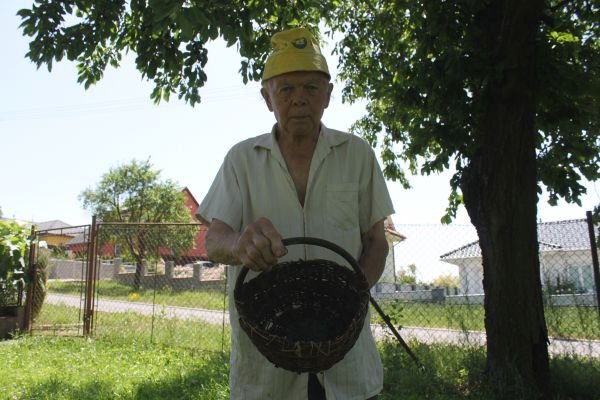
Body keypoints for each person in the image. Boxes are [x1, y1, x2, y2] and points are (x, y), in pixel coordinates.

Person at [197, 27, 395, 400]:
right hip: (266, 372)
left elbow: (376, 243)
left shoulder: (358, 155)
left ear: (329, 95)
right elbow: (213, 239)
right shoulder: (241, 160)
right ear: (267, 98)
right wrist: (240, 244)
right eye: (286, 89)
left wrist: (354, 295)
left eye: (311, 88)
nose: (299, 99)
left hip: (347, 366)